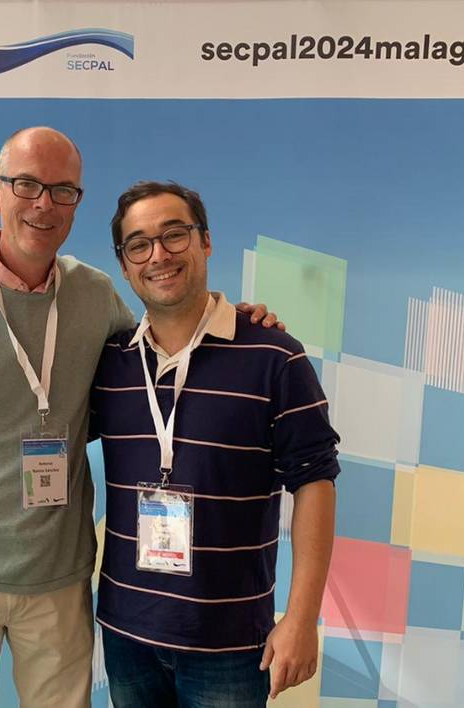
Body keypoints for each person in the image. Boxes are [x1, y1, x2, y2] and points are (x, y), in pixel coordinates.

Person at [0, 128, 277, 708]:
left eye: (63, 190)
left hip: (59, 583)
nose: (44, 204)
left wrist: (234, 322)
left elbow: (161, 348)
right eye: (27, 185)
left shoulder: (94, 294)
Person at [92, 181, 340, 707]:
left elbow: (315, 483)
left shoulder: (276, 356)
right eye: (139, 244)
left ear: (206, 242)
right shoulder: (110, 362)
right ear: (124, 264)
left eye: (174, 235)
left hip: (229, 643)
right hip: (126, 634)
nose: (158, 255)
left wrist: (301, 619)